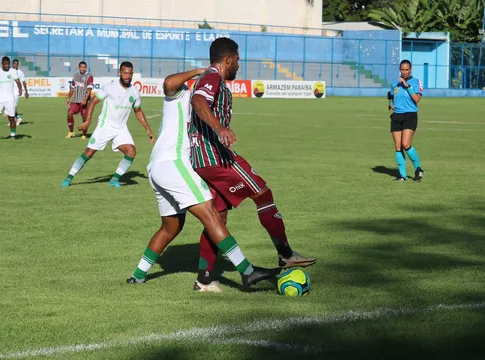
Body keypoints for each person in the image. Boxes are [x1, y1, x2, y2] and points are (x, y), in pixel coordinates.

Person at [127, 68, 281, 289]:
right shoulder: (183, 93)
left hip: (157, 168)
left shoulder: (204, 100)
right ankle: (247, 271)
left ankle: (138, 275)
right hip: (174, 162)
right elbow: (169, 82)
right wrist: (199, 71)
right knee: (212, 213)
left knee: (171, 228)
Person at [189, 38, 316, 292]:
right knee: (262, 193)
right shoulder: (212, 76)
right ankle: (286, 254)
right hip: (215, 157)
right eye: (236, 60)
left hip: (204, 159)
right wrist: (220, 127)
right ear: (227, 59)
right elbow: (198, 102)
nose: (238, 64)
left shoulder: (214, 79)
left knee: (218, 217)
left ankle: (203, 280)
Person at [61, 61, 155, 188]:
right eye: (125, 73)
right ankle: (69, 177)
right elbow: (93, 102)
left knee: (131, 151)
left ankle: (114, 180)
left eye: (130, 73)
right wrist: (88, 121)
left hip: (121, 128)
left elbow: (137, 111)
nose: (128, 76)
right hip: (105, 125)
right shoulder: (110, 87)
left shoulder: (135, 92)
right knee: (89, 153)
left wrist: (148, 130)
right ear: (120, 73)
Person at [388, 59, 424, 182]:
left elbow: (417, 99)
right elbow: (391, 95)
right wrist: (390, 103)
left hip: (410, 115)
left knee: (406, 144)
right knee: (398, 146)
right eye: (402, 70)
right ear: (400, 69)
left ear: (411, 69)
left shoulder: (415, 82)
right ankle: (402, 175)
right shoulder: (395, 83)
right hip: (397, 116)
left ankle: (418, 169)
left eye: (407, 70)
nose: (404, 72)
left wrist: (407, 86)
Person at [65, 61, 94, 139]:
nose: (83, 68)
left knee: (84, 118)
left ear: (86, 68)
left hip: (85, 101)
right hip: (75, 100)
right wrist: (68, 98)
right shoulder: (75, 76)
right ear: (79, 67)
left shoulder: (89, 76)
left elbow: (89, 90)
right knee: (69, 114)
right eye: (81, 67)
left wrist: (85, 99)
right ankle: (71, 131)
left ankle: (84, 134)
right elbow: (72, 88)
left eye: (84, 67)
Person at [7, 59, 29, 126]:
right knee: (9, 106)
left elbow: (24, 82)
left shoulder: (20, 72)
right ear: (12, 64)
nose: (16, 65)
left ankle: (17, 119)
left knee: (13, 106)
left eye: (17, 64)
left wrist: (26, 91)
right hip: (9, 91)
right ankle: (14, 119)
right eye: (14, 64)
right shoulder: (9, 71)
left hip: (17, 91)